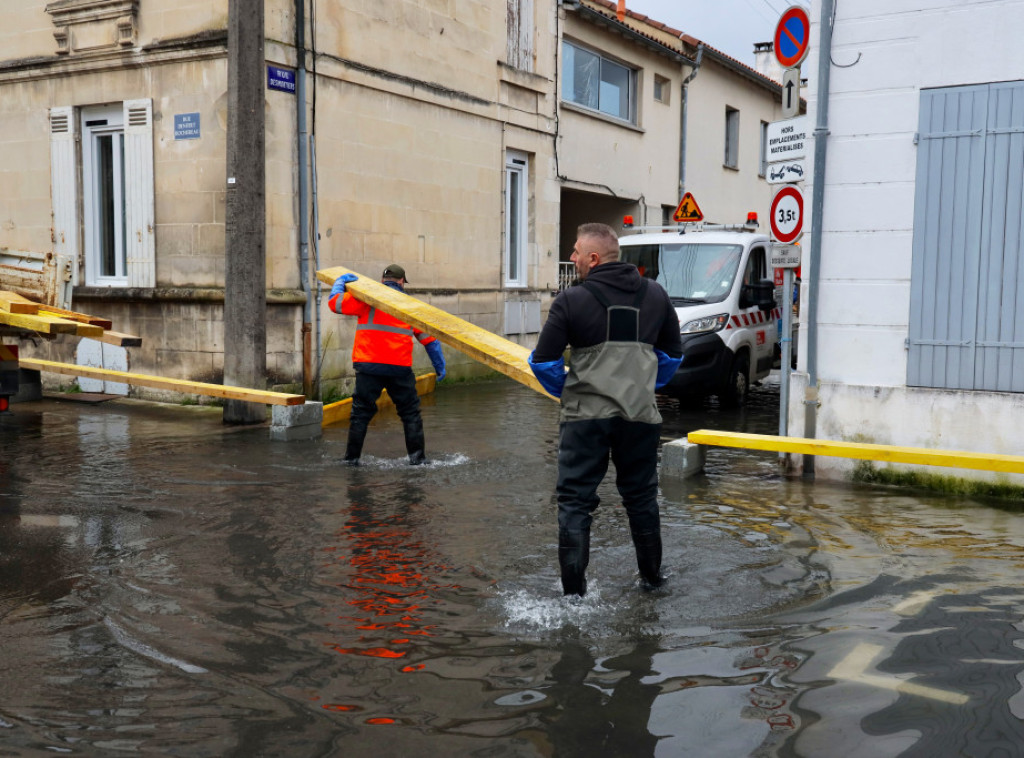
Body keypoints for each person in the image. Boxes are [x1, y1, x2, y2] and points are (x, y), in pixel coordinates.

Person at [529, 223, 684, 596]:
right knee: (642, 498)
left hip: (586, 418)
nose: (572, 258)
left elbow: (543, 363)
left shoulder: (570, 300)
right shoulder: (658, 296)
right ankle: (652, 581)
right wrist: (640, 387)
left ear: (593, 258)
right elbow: (672, 357)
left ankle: (574, 598)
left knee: (575, 503)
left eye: (576, 252)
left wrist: (570, 392)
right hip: (640, 417)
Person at [329, 264, 446, 466]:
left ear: (383, 280)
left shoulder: (368, 298)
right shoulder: (409, 305)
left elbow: (335, 304)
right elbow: (429, 340)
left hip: (368, 366)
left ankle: (351, 459)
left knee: (360, 414)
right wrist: (439, 366)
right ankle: (418, 461)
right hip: (398, 368)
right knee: (410, 414)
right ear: (401, 281)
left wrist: (339, 284)